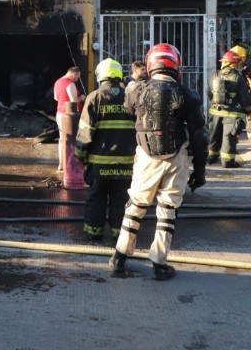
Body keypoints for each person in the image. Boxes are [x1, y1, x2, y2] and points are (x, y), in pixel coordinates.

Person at [109, 43, 208, 281]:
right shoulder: (189, 95)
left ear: (150, 64)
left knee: (136, 206)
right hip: (177, 156)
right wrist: (200, 170)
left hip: (145, 155)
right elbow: (200, 136)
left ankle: (120, 257)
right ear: (176, 65)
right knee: (167, 208)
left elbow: (130, 110)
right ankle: (159, 263)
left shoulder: (135, 90)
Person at [75, 58, 136, 243]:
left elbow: (85, 132)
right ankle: (120, 236)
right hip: (126, 163)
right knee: (121, 200)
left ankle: (94, 234)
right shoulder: (131, 96)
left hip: (99, 163)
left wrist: (80, 155)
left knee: (96, 199)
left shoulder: (95, 97)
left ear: (101, 76)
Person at [206, 50, 251, 168]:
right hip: (232, 113)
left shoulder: (215, 75)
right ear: (233, 64)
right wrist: (248, 110)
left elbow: (208, 93)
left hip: (215, 112)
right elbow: (245, 99)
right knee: (228, 136)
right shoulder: (239, 78)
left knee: (214, 134)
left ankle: (212, 157)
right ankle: (227, 161)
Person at [54, 66, 86, 171]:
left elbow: (56, 97)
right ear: (74, 74)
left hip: (59, 113)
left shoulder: (58, 82)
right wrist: (81, 98)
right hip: (70, 116)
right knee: (73, 140)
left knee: (62, 139)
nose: (78, 79)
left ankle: (61, 164)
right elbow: (73, 100)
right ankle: (71, 164)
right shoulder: (70, 84)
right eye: (78, 77)